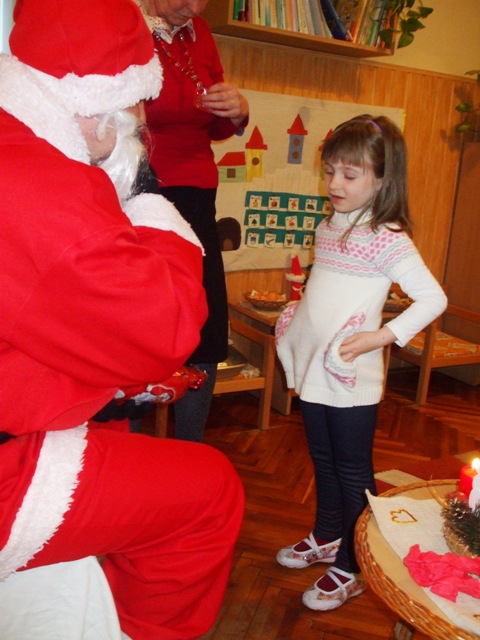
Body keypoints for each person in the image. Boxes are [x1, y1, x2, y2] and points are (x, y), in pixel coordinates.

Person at [0, 1, 244, 638]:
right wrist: (152, 205)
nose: (141, 125)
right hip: (7, 467)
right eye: (136, 112)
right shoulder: (42, 185)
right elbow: (164, 332)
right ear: (96, 108)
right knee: (210, 493)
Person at [274, 115, 447, 612]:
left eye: (350, 175)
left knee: (352, 472)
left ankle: (353, 564)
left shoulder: (387, 236)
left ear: (383, 179)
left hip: (351, 380)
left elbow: (433, 298)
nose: (335, 184)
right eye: (330, 171)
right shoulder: (329, 226)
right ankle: (328, 534)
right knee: (322, 460)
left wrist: (381, 336)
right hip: (316, 370)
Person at [134, 0, 250, 442]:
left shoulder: (200, 33)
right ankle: (127, 442)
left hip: (198, 194)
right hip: (141, 189)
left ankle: (191, 444)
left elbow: (215, 127)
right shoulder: (127, 25)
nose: (193, 6)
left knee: (206, 321)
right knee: (139, 321)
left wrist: (237, 110)